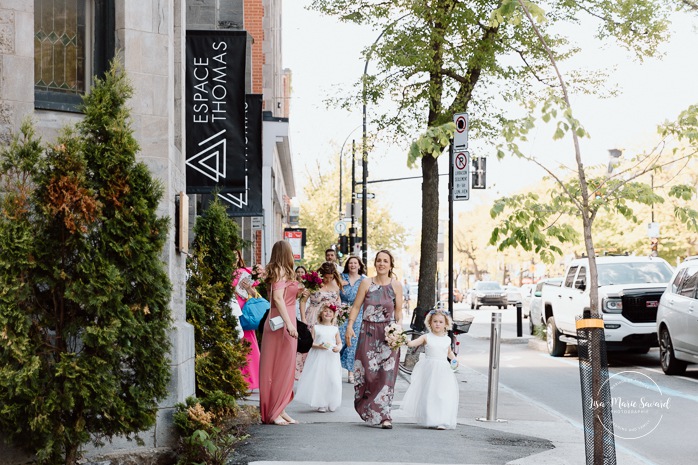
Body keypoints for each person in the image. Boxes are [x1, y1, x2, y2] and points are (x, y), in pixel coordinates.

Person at [345, 249, 404, 429]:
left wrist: (398, 329)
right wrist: (349, 326)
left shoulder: (396, 285)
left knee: (386, 376)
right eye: (379, 260)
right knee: (367, 374)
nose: (381, 264)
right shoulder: (366, 283)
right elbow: (356, 307)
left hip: (388, 335)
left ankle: (385, 416)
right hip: (368, 333)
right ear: (375, 263)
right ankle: (368, 408)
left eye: (385, 261)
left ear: (390, 265)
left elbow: (399, 311)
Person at [259, 240, 302, 425]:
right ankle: (274, 411)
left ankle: (280, 408)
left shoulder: (281, 271)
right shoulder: (279, 271)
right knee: (278, 368)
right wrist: (290, 325)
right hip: (281, 324)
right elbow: (277, 298)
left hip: (283, 321)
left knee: (285, 367)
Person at [399, 309, 459, 430]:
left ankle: (442, 420)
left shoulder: (447, 339)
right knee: (430, 393)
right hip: (430, 369)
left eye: (441, 322)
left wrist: (454, 360)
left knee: (442, 394)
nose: (437, 324)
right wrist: (401, 338)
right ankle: (431, 418)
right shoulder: (426, 337)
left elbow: (449, 353)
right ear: (430, 323)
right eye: (435, 321)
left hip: (443, 370)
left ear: (446, 324)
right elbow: (411, 344)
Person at [296, 262, 342, 380]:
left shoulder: (335, 285)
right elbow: (303, 301)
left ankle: (323, 376)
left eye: (330, 277)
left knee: (326, 346)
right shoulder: (313, 283)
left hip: (329, 320)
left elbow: (337, 302)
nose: (328, 280)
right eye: (326, 277)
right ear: (321, 275)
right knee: (312, 345)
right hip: (313, 317)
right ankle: (307, 376)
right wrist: (303, 319)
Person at [294, 304, 342, 413]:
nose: (328, 313)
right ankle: (322, 403)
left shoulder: (335, 329)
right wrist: (319, 346)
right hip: (319, 357)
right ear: (321, 314)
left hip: (331, 357)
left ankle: (332, 401)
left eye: (330, 312)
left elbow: (339, 342)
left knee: (333, 379)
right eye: (325, 311)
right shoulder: (316, 327)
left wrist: (338, 348)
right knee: (320, 379)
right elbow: (311, 342)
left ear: (334, 315)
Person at [231, 251, 261, 391]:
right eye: (232, 256)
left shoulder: (245, 272)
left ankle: (251, 380)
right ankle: (234, 378)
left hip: (244, 311)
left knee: (248, 345)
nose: (234, 259)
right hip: (229, 310)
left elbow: (255, 294)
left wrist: (248, 287)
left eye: (237, 256)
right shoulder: (222, 272)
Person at [338, 255, 366, 383]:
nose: (353, 265)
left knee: (353, 344)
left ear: (359, 265)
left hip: (358, 313)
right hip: (342, 312)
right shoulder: (341, 278)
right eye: (350, 263)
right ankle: (334, 369)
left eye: (355, 263)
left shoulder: (364, 280)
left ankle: (351, 373)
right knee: (340, 341)